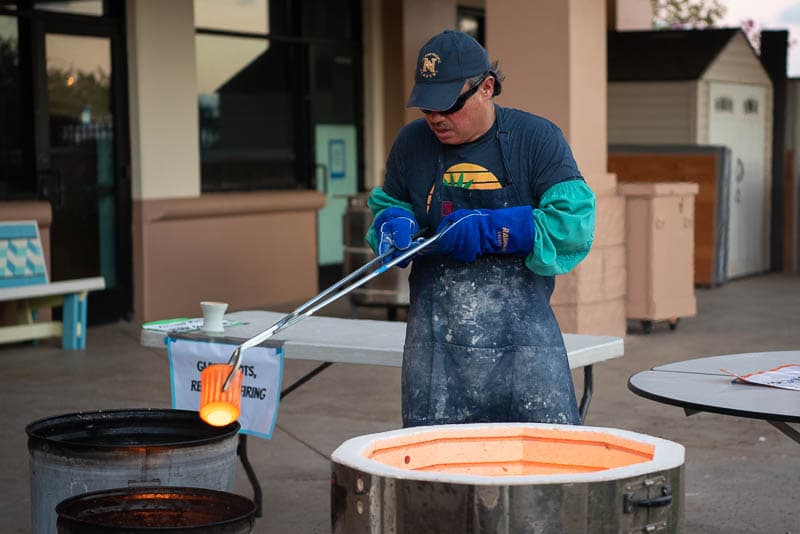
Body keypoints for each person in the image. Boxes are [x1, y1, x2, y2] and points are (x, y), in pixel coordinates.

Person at [365, 30, 596, 428]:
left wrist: (495, 230)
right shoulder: (411, 144)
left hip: (524, 347)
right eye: (427, 107)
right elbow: (392, 201)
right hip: (434, 347)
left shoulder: (536, 139)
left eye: (449, 105)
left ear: (487, 87)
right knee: (436, 471)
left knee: (540, 467)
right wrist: (392, 221)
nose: (436, 118)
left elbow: (573, 224)